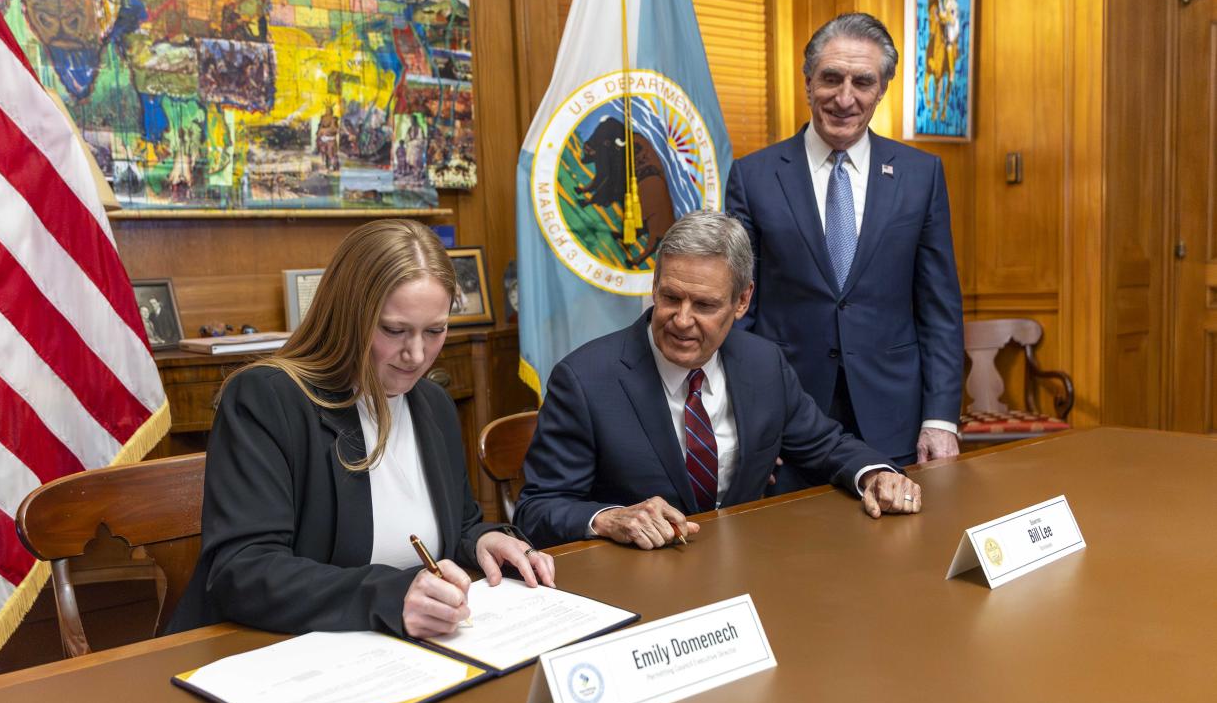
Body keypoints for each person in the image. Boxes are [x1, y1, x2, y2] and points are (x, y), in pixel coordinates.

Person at [168, 220, 554, 639]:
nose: (417, 355)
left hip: (402, 649)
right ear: (348, 316)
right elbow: (243, 571)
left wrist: (482, 540)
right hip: (272, 648)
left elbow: (458, 525)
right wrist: (391, 597)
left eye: (435, 330)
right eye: (394, 330)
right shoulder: (267, 398)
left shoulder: (434, 404)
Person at [513, 210, 921, 550]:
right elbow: (536, 509)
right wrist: (609, 518)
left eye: (705, 305)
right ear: (654, 286)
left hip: (747, 564)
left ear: (742, 300)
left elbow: (826, 445)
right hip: (638, 579)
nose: (682, 319)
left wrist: (875, 475)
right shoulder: (585, 380)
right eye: (671, 297)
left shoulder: (763, 363)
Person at [726, 13, 964, 470]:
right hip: (787, 419)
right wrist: (748, 420)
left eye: (863, 82)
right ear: (808, 82)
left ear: (883, 89)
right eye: (831, 78)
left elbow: (940, 310)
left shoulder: (921, 175)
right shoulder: (753, 177)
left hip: (894, 417)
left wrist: (940, 419)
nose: (844, 97)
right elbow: (739, 310)